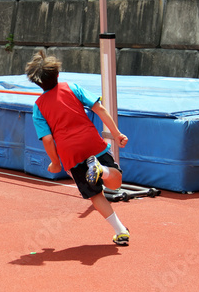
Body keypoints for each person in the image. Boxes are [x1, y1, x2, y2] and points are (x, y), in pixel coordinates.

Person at [25, 50, 130, 245]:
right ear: (57, 74)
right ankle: (103, 171)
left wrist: (55, 163)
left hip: (70, 154)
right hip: (92, 143)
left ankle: (121, 230)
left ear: (37, 83)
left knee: (95, 194)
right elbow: (99, 108)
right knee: (115, 183)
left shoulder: (38, 106)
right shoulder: (72, 88)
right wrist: (116, 134)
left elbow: (47, 139)